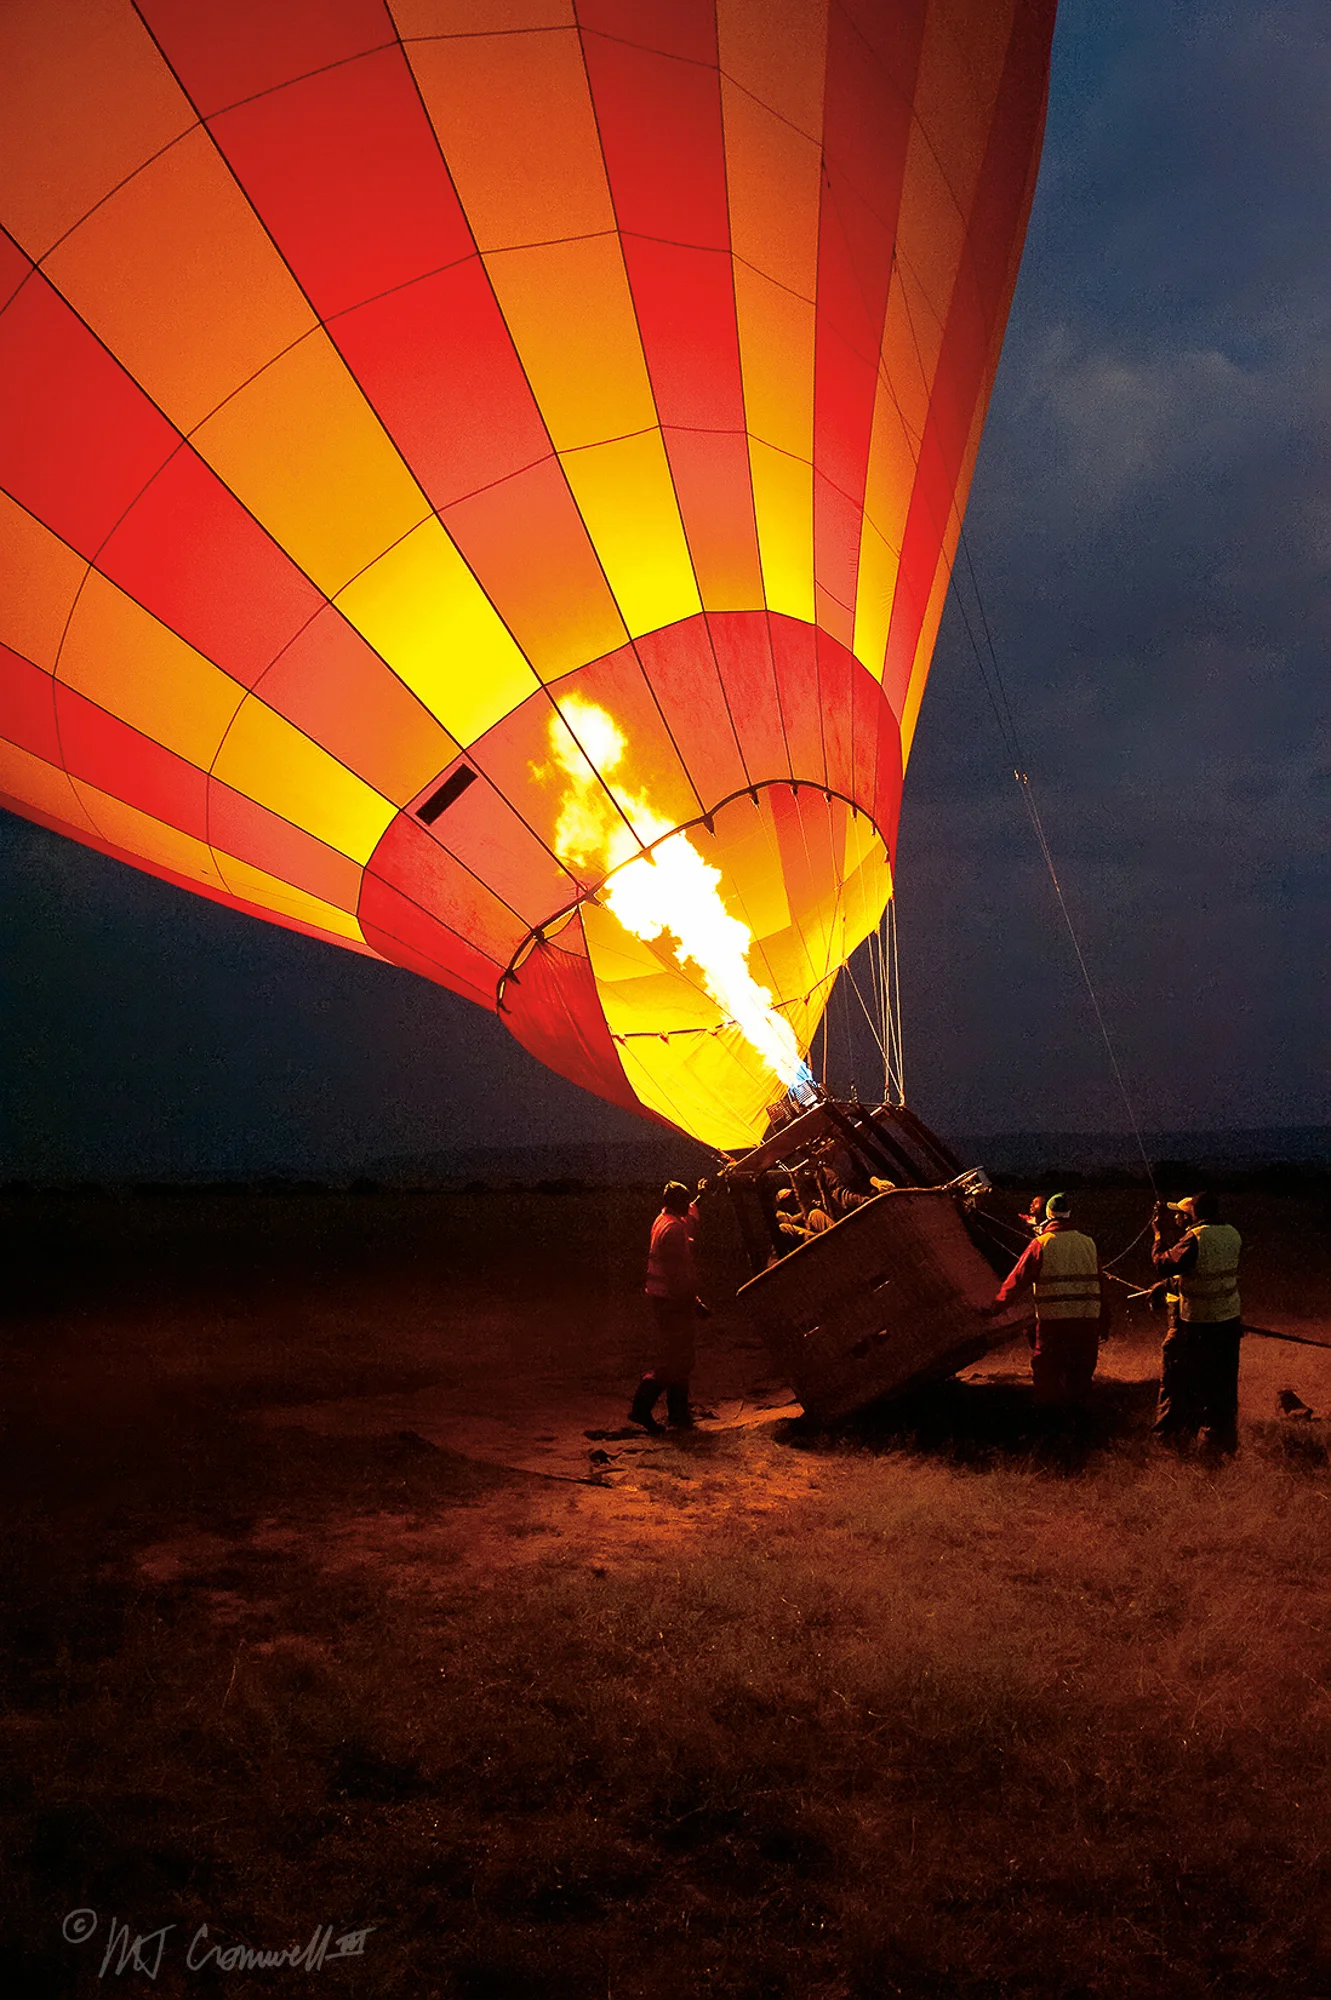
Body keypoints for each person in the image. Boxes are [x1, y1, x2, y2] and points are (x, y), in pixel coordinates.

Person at [1150, 1191, 1243, 1455]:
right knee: (1223, 1386)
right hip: (1229, 1321)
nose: (1177, 1217)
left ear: (1194, 1215)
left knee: (1189, 1383)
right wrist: (1167, 1285)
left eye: (1181, 1213)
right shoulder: (1232, 1233)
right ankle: (1223, 1445)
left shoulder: (1195, 1239)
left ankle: (1182, 1444)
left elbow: (1163, 1264)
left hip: (1200, 1323)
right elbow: (1204, 1270)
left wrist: (1158, 1235)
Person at [994, 1192, 1104, 1404]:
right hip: (1086, 1323)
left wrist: (997, 1305)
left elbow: (1017, 1280)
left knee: (1047, 1375)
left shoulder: (1040, 1244)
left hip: (1053, 1325)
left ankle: (1051, 1426)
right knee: (1080, 1376)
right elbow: (1100, 1285)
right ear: (1069, 1213)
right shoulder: (1088, 1243)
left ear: (1048, 1214)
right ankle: (1082, 1425)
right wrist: (1104, 1320)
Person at [629, 1182, 705, 1432]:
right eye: (685, 1201)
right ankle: (642, 1408)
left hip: (663, 1299)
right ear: (676, 1203)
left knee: (679, 1358)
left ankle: (678, 1413)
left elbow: (688, 1220)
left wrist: (700, 1198)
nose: (687, 1205)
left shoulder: (663, 1220)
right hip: (672, 1302)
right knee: (676, 1359)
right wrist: (693, 1303)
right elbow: (677, 1275)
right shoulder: (672, 1230)